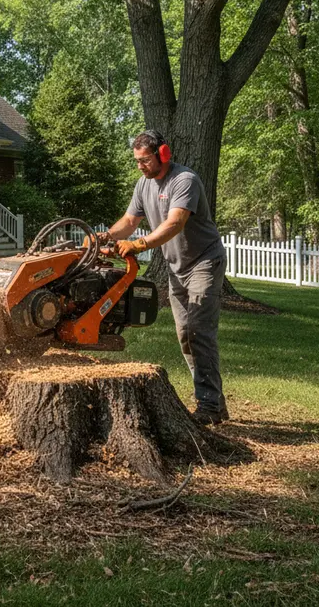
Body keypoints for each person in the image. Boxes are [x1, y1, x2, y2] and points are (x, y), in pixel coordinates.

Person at [98, 130, 229, 425]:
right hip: (176, 268)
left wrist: (140, 244)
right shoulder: (143, 184)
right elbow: (130, 221)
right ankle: (216, 402)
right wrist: (104, 237)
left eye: (145, 160)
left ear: (163, 154)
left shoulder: (185, 180)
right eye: (137, 161)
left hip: (204, 262)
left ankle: (208, 406)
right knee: (185, 335)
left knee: (198, 330)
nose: (141, 166)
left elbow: (175, 222)